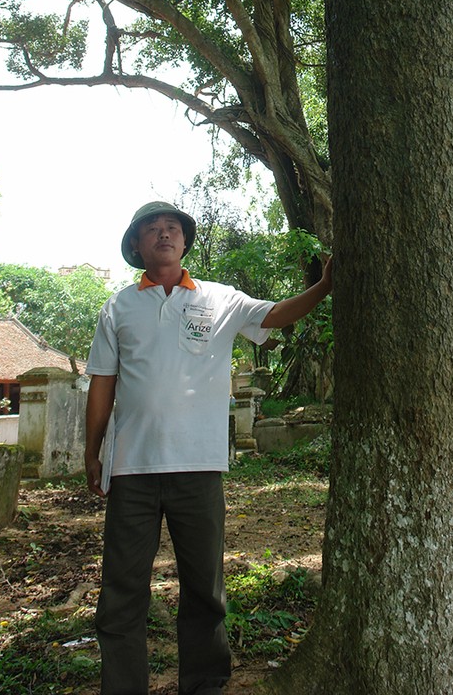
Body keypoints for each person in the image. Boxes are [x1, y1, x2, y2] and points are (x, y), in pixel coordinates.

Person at [84, 199, 332, 695]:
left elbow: (277, 315)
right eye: (151, 229)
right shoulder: (118, 307)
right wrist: (92, 453)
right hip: (131, 469)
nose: (163, 234)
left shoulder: (221, 299)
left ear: (184, 239)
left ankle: (204, 686)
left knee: (204, 590)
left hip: (199, 469)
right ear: (136, 245)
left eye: (171, 227)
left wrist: (325, 286)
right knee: (121, 594)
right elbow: (102, 386)